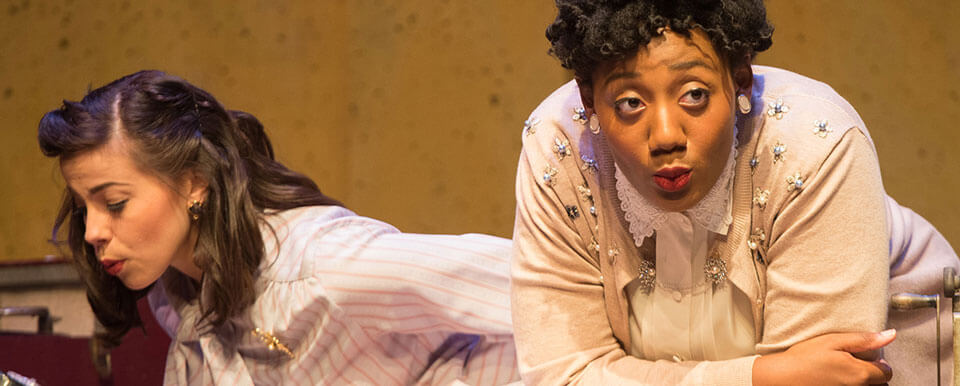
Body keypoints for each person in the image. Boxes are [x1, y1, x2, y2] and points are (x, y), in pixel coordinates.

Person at [509, 0, 958, 385]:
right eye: (630, 103)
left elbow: (825, 379)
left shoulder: (816, 143)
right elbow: (562, 374)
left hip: (906, 337)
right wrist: (760, 376)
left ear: (741, 78)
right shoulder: (560, 146)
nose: (666, 136)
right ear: (588, 100)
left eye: (694, 95)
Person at [38, 70, 520, 385]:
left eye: (115, 203)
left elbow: (555, 285)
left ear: (194, 183)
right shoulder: (180, 296)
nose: (92, 232)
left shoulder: (324, 264)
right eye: (84, 209)